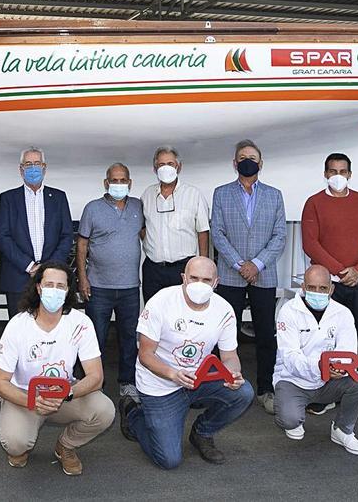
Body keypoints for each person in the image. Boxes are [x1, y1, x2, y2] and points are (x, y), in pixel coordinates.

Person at [120, 257, 254, 469]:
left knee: (244, 392)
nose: (199, 284)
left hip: (200, 378)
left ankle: (203, 432)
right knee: (169, 460)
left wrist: (233, 374)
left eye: (206, 279)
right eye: (194, 278)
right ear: (183, 278)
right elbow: (145, 355)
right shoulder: (160, 302)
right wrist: (173, 374)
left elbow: (229, 356)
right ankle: (134, 414)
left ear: (216, 283)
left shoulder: (224, 310)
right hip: (160, 385)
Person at [0, 262, 115, 476]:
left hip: (64, 395)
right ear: (38, 287)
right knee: (15, 442)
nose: (54, 290)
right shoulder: (18, 325)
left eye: (61, 286)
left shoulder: (80, 323)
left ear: (68, 290)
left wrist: (68, 393)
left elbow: (96, 376)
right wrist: (32, 400)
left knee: (105, 410)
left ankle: (65, 446)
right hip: (24, 396)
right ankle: (22, 448)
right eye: (49, 284)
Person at [300, 152, 358, 418]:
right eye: (332, 171)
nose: (337, 176)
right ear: (325, 174)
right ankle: (325, 394)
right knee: (325, 339)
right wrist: (339, 271)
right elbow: (310, 244)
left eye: (342, 171)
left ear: (350, 173)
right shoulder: (314, 203)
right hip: (329, 286)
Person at [210, 139, 287, 415]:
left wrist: (256, 264)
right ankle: (224, 386)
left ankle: (266, 389)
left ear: (261, 163)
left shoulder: (274, 195)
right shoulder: (221, 194)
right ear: (234, 163)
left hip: (263, 275)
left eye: (252, 157)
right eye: (242, 157)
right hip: (231, 274)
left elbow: (280, 236)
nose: (247, 161)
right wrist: (239, 264)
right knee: (223, 334)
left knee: (266, 333)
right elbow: (217, 233)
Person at [273, 265, 358, 456]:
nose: (316, 292)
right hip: (293, 380)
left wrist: (339, 369)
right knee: (290, 420)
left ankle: (343, 430)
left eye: (323, 288)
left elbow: (348, 351)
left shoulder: (343, 313)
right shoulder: (288, 311)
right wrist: (319, 367)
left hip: (329, 380)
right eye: (311, 287)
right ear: (303, 287)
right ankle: (294, 417)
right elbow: (290, 356)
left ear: (331, 289)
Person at [76, 162, 143, 400]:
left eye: (123, 180)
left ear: (130, 183)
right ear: (106, 183)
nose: (118, 184)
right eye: (114, 180)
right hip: (98, 287)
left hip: (129, 288)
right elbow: (82, 244)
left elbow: (145, 235)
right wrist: (83, 279)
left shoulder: (138, 206)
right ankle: (94, 384)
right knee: (95, 339)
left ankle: (127, 383)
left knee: (128, 338)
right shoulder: (92, 208)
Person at [0, 147, 74, 317]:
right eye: (28, 164)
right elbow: (3, 237)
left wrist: (47, 268)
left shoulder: (59, 197)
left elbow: (66, 235)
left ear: (44, 167)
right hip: (18, 278)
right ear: (21, 169)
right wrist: (30, 266)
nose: (33, 168)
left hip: (52, 280)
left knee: (51, 329)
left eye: (37, 164)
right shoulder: (8, 198)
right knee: (19, 332)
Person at [140, 146, 210, 303]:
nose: (165, 168)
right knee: (154, 314)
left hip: (183, 269)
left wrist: (203, 265)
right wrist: (152, 244)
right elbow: (142, 227)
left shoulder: (193, 194)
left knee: (183, 314)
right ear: (154, 168)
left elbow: (203, 231)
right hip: (153, 269)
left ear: (179, 167)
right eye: (161, 164)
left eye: (170, 164)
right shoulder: (147, 195)